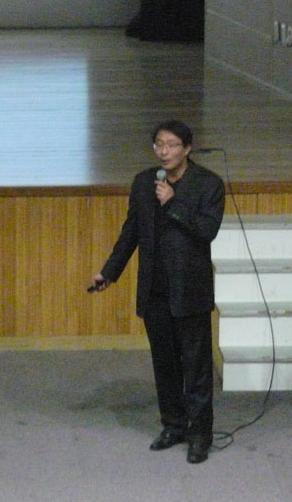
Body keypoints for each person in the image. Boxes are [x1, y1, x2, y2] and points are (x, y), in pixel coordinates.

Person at [90, 120, 225, 464]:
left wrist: (173, 204)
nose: (164, 152)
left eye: (171, 145)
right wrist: (109, 272)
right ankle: (173, 425)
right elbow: (131, 232)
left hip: (190, 291)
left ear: (187, 148)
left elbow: (207, 231)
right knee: (164, 364)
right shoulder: (143, 183)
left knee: (196, 366)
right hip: (155, 290)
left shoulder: (208, 184)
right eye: (159, 145)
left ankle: (200, 434)